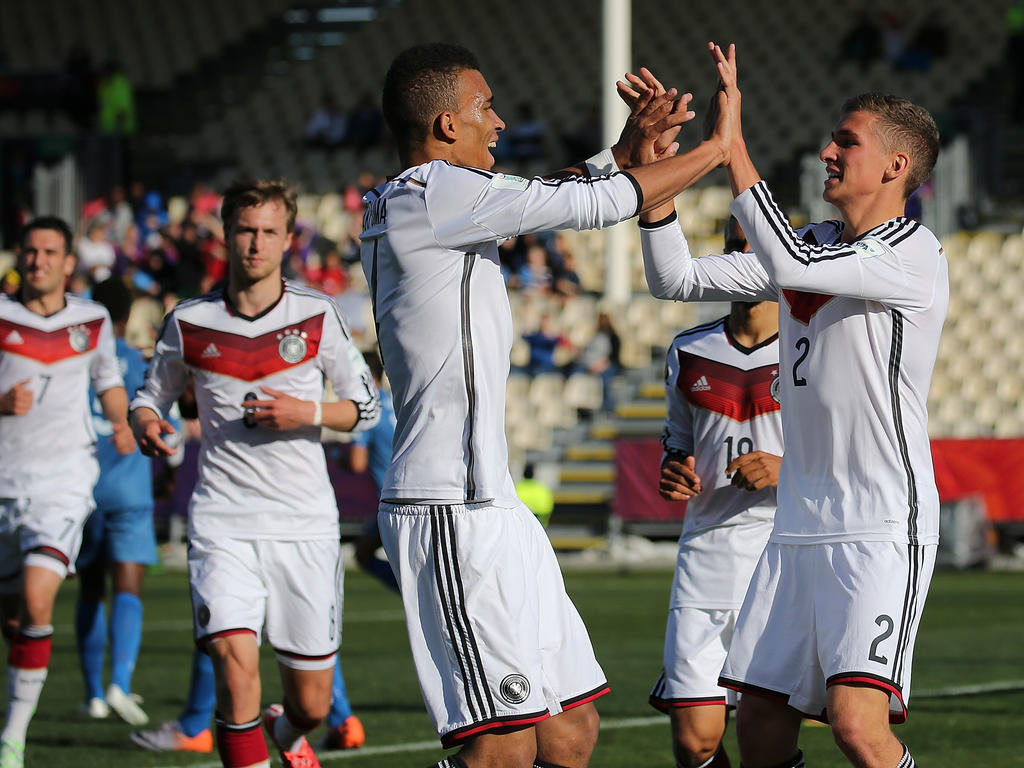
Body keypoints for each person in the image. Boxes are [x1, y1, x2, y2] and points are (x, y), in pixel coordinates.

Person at [360, 41, 738, 768]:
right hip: (447, 505)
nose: (498, 123)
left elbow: (552, 194)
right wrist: (718, 150)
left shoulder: (436, 199)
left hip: (493, 505)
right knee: (499, 750)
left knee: (569, 733)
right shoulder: (431, 193)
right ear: (445, 125)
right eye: (484, 108)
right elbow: (587, 206)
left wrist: (625, 151)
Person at [634, 44, 945, 768]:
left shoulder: (912, 253)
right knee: (762, 725)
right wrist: (655, 185)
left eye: (847, 141)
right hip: (800, 524)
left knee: (856, 726)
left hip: (879, 521)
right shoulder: (813, 244)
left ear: (896, 166)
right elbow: (673, 277)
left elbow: (794, 267)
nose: (827, 151)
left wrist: (731, 148)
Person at [129, 179, 380, 768]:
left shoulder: (316, 314)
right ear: (227, 234)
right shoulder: (189, 321)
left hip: (304, 526)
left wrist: (306, 411)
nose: (256, 243)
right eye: (246, 229)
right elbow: (151, 395)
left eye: (269, 231)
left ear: (288, 239)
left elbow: (365, 407)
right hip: (223, 522)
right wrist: (145, 421)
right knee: (235, 670)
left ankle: (287, 730)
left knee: (313, 706)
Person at [648, 219, 782, 768]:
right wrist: (673, 470)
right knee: (695, 741)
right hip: (704, 551)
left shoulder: (816, 349)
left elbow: (854, 458)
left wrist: (786, 469)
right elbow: (677, 442)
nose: (742, 256)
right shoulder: (689, 349)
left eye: (755, 246)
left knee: (764, 741)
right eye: (733, 246)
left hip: (782, 556)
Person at [0, 216, 133, 768]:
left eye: (49, 252)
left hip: (64, 483)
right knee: (15, 617)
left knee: (37, 600)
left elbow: (107, 381)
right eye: (30, 252)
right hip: (5, 484)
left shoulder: (93, 319)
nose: (38, 261)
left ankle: (12, 739)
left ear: (67, 262)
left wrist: (125, 423)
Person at [75, 277, 167, 727]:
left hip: (84, 486)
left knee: (90, 589)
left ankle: (93, 694)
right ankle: (120, 683)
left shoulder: (78, 358)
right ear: (128, 316)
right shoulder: (137, 362)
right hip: (129, 489)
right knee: (127, 588)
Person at [514, 464, 554, 528]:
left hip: (520, 522)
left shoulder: (516, 488)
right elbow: (547, 509)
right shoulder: (542, 489)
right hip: (538, 522)